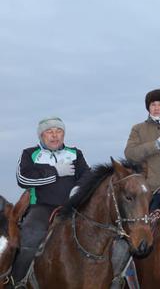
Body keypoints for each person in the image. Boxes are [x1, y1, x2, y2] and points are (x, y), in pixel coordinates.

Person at [12, 117, 90, 285]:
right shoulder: (29, 154)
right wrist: (54, 172)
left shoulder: (75, 153)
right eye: (49, 132)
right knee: (29, 237)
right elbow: (23, 179)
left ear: (64, 134)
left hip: (73, 207)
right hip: (41, 207)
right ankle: (17, 282)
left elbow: (87, 176)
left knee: (100, 235)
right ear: (41, 135)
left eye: (59, 131)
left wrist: (78, 189)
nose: (54, 136)